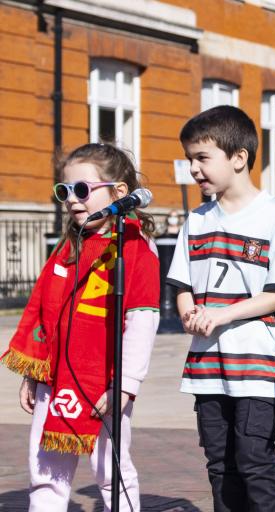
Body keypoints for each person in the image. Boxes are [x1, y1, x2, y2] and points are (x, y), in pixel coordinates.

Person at [1, 143, 160, 511]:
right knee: (45, 465)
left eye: (83, 189)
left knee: (110, 466)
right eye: (65, 190)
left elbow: (142, 319)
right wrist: (33, 372)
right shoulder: (67, 247)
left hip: (105, 380)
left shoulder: (135, 247)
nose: (72, 199)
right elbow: (46, 314)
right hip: (55, 377)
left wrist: (126, 383)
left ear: (119, 192)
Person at [167, 105, 275, 511]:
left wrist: (223, 315)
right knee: (220, 464)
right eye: (189, 158)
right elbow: (182, 285)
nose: (193, 168)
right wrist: (189, 313)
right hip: (208, 364)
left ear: (239, 158)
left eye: (202, 157)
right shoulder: (196, 221)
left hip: (258, 365)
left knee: (253, 459)